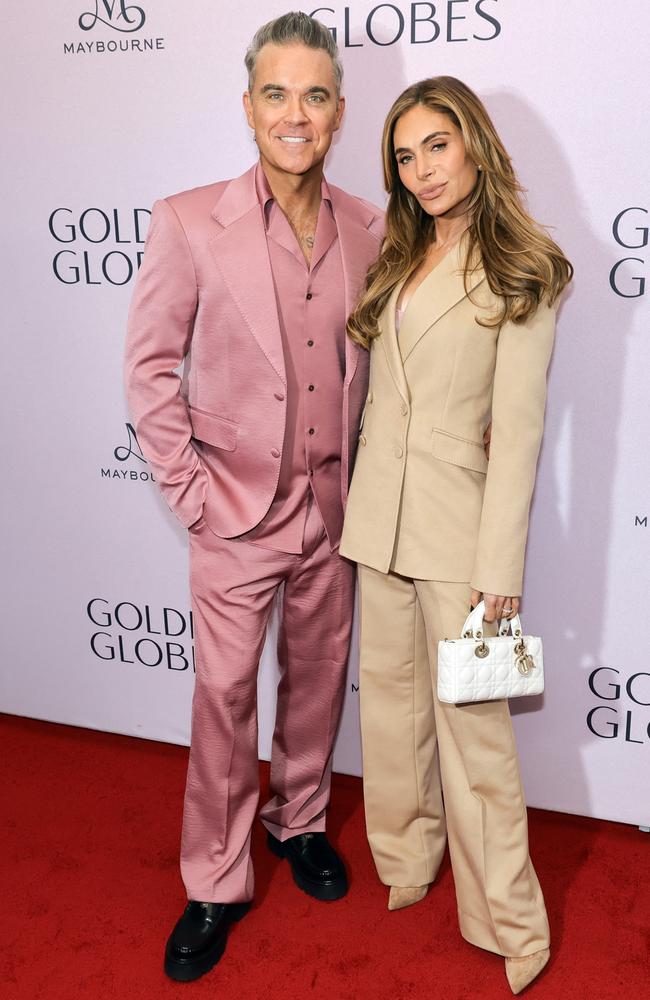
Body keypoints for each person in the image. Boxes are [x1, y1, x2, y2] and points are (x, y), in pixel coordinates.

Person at [124, 12, 382, 982]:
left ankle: (300, 820)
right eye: (275, 93)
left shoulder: (368, 225)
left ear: (337, 112)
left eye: (313, 95)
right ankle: (215, 875)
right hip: (234, 514)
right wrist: (192, 493)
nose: (294, 112)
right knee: (225, 698)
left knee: (317, 680)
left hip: (333, 511)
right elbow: (149, 371)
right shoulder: (189, 219)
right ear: (247, 107)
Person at [339, 77, 572, 995]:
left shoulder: (525, 265)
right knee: (390, 711)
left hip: (459, 531)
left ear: (474, 142)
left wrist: (499, 573)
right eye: (404, 155)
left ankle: (511, 921)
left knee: (475, 736)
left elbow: (518, 434)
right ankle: (406, 860)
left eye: (436, 145)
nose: (422, 169)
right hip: (378, 521)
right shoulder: (397, 257)